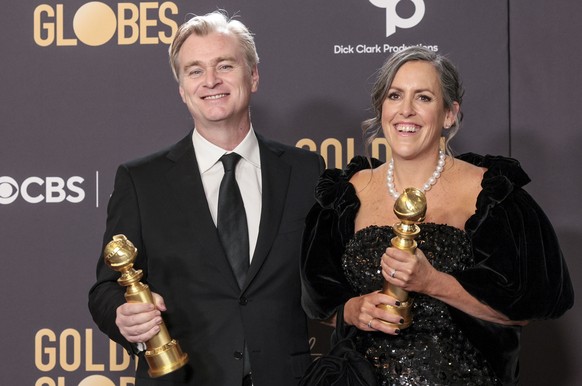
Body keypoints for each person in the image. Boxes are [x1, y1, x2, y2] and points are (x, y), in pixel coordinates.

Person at [300, 46, 574, 385]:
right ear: (381, 108)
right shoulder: (346, 194)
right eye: (395, 95)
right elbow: (320, 298)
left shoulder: (489, 194)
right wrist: (351, 311)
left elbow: (522, 310)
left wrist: (433, 282)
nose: (406, 111)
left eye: (424, 98)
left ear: (449, 114)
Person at [89, 11, 325, 386]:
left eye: (224, 65)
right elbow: (106, 288)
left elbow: (326, 279)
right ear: (182, 89)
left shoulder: (306, 170)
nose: (210, 80)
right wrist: (123, 315)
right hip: (183, 377)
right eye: (194, 70)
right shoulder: (141, 180)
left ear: (254, 76)